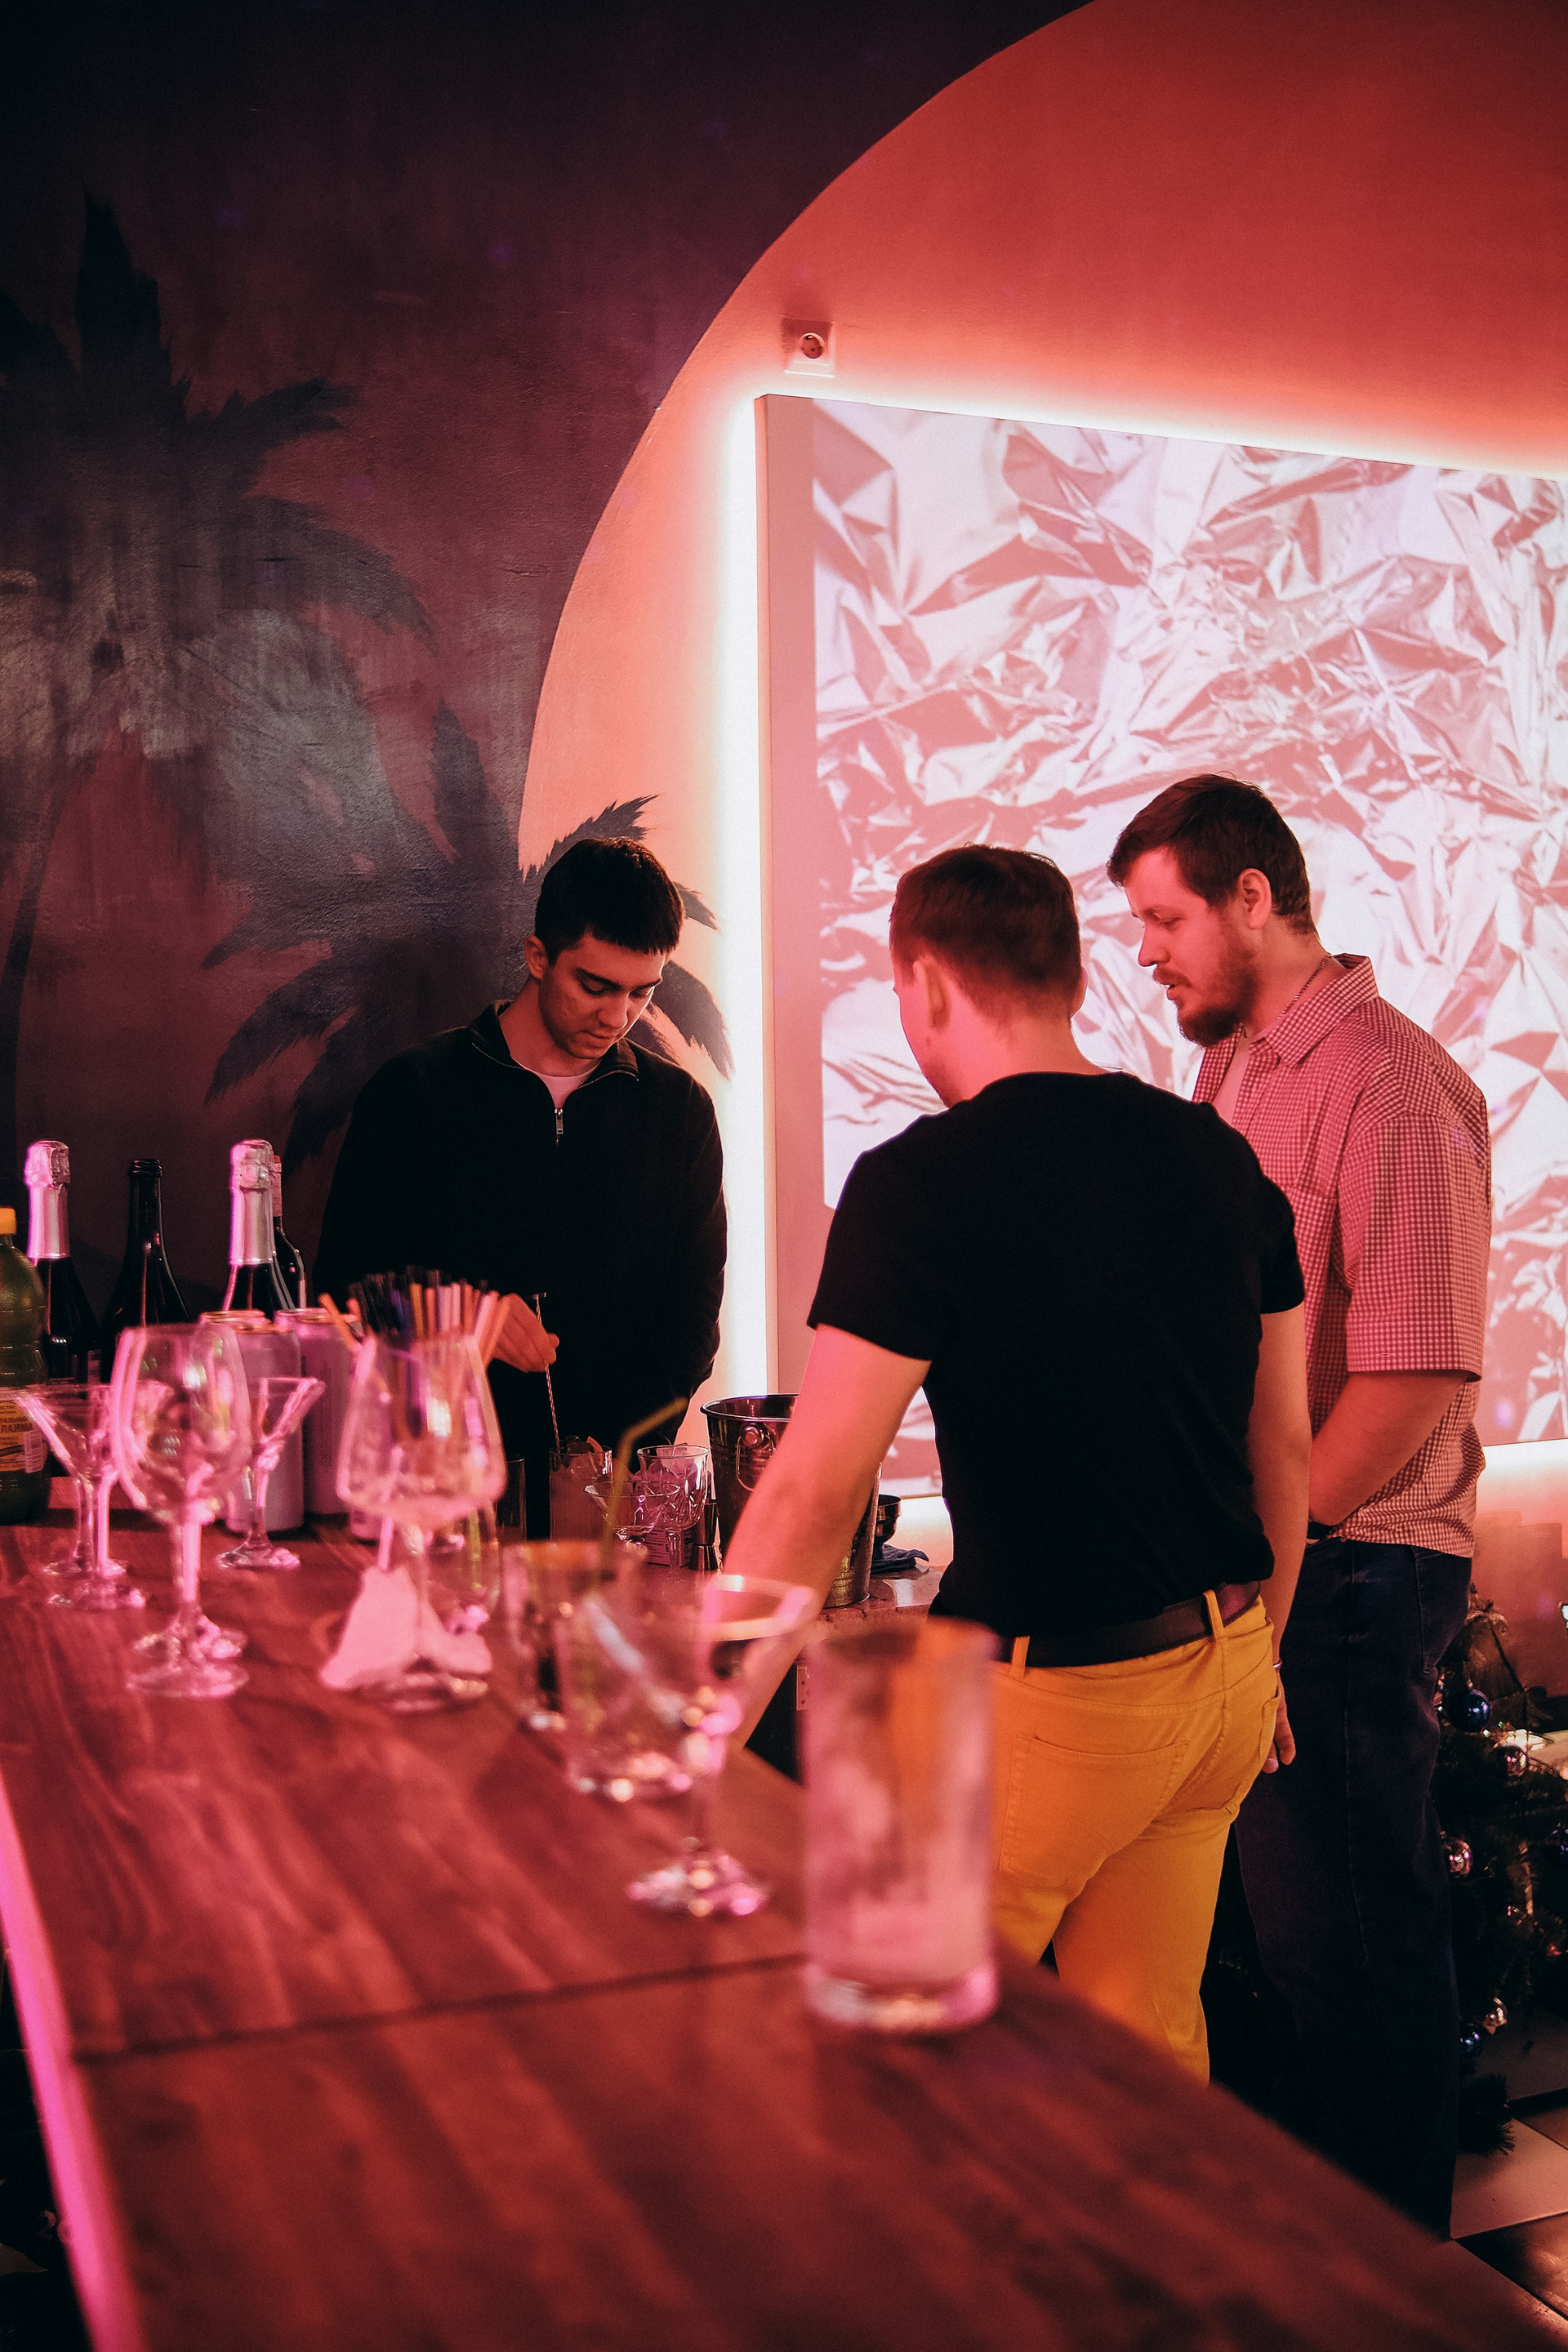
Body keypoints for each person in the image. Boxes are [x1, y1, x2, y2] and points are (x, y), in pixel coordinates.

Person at [724, 844, 1311, 2080]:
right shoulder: (1218, 1157)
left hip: (1060, 1702)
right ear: (1075, 980)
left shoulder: (922, 1183)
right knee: (1143, 2062)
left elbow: (818, 1488)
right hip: (1218, 1681)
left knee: (896, 2062)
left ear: (929, 984)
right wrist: (1263, 1661)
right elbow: (1282, 1444)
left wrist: (702, 1720)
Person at [1110, 774, 1492, 2235]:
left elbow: (1416, 1370)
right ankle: (1305, 2260)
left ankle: (1393, 2291)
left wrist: (1282, 1548)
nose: (1146, 952)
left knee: (1352, 1951)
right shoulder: (1235, 1072)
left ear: (1254, 898)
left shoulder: (1387, 1082)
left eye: (1165, 920)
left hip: (1351, 1569)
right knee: (1269, 1953)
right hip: (1262, 1564)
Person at [315, 837, 725, 1529]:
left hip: (611, 1513)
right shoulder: (414, 1093)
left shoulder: (679, 1110)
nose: (618, 1016)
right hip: (439, 1497)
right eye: (595, 986)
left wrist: (621, 1458)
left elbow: (691, 1321)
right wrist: (465, 1320)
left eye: (641, 992)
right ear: (538, 957)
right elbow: (340, 1294)